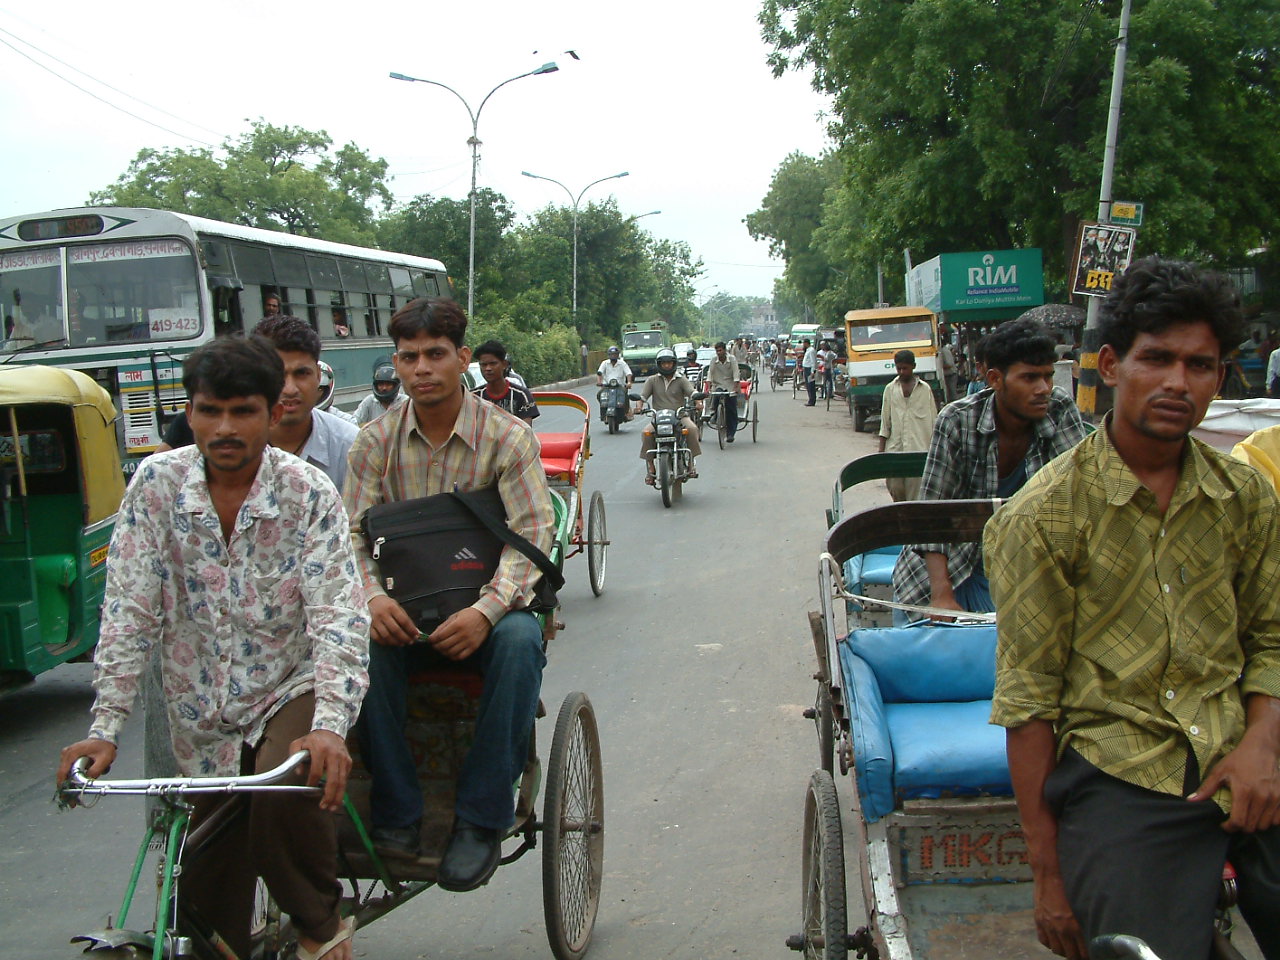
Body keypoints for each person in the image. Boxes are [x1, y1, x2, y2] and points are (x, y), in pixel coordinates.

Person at [986, 256, 1280, 960]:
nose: (1179, 382)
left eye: (1200, 365)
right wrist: (1047, 877)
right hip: (1122, 777)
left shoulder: (1246, 499)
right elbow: (1030, 702)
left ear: (1220, 377)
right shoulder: (1044, 518)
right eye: (1158, 359)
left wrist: (1261, 747)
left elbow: (1271, 638)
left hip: (1247, 755)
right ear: (1112, 365)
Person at [57, 336, 369, 960]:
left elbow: (338, 615)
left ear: (272, 411)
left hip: (291, 683)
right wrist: (105, 726)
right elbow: (128, 609)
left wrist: (332, 724)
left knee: (286, 780)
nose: (224, 428)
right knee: (204, 897)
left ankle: (320, 928)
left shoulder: (308, 492)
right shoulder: (155, 484)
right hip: (196, 702)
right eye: (209, 411)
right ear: (191, 410)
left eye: (243, 411)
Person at [344, 297, 553, 892]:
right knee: (356, 646)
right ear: (397, 364)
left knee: (519, 641)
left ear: (462, 357)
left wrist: (487, 611)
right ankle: (398, 809)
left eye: (436, 355)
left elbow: (533, 537)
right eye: (409, 357)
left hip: (485, 609)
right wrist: (370, 599)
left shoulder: (508, 439)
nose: (422, 369)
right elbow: (348, 537)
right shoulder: (372, 444)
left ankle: (481, 817)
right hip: (400, 611)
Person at [892, 316, 1087, 616]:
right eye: (1029, 378)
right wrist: (941, 595)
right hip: (955, 567)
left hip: (1028, 565)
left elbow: (1080, 496)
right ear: (995, 379)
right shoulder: (957, 420)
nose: (1044, 388)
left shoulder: (1059, 409)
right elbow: (932, 514)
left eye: (1047, 377)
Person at [254, 315, 360, 492]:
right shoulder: (234, 445)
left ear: (319, 375)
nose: (290, 389)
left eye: (301, 373)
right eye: (277, 374)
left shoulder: (350, 446)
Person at [877, 350, 937, 501]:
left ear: (913, 366)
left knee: (915, 495)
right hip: (895, 451)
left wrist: (935, 450)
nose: (902, 372)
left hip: (919, 450)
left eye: (905, 368)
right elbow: (885, 422)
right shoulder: (890, 389)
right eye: (899, 368)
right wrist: (881, 453)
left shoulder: (925, 390)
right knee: (895, 489)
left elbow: (934, 421)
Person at [638, 347, 702, 483]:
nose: (666, 366)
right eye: (663, 363)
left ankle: (691, 464)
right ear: (659, 364)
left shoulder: (681, 379)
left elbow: (692, 392)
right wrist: (638, 407)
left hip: (679, 416)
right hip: (658, 418)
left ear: (674, 363)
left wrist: (698, 401)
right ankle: (651, 469)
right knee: (646, 432)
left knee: (692, 429)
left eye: (669, 363)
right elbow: (643, 397)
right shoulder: (652, 380)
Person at [472, 339, 539, 426]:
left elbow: (525, 433)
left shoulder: (521, 395)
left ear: (504, 365)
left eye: (493, 364)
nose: (488, 368)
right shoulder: (473, 397)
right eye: (483, 365)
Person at [706, 341, 740, 442]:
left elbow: (736, 374)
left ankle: (730, 434)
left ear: (725, 350)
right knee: (717, 395)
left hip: (730, 385)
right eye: (717, 351)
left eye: (720, 350)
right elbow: (710, 374)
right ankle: (715, 413)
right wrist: (708, 386)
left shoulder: (732, 359)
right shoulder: (713, 360)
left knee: (731, 409)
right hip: (718, 385)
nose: (719, 353)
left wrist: (735, 387)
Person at [938, 332, 959, 402]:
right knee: (948, 394)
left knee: (952, 392)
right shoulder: (941, 351)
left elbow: (950, 364)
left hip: (951, 374)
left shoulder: (945, 351)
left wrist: (939, 367)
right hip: (947, 375)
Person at [801, 339, 817, 406]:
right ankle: (810, 399)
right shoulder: (808, 350)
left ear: (806, 343)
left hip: (809, 369)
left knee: (811, 386)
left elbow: (813, 361)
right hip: (806, 368)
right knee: (808, 385)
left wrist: (812, 371)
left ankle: (812, 401)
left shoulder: (811, 351)